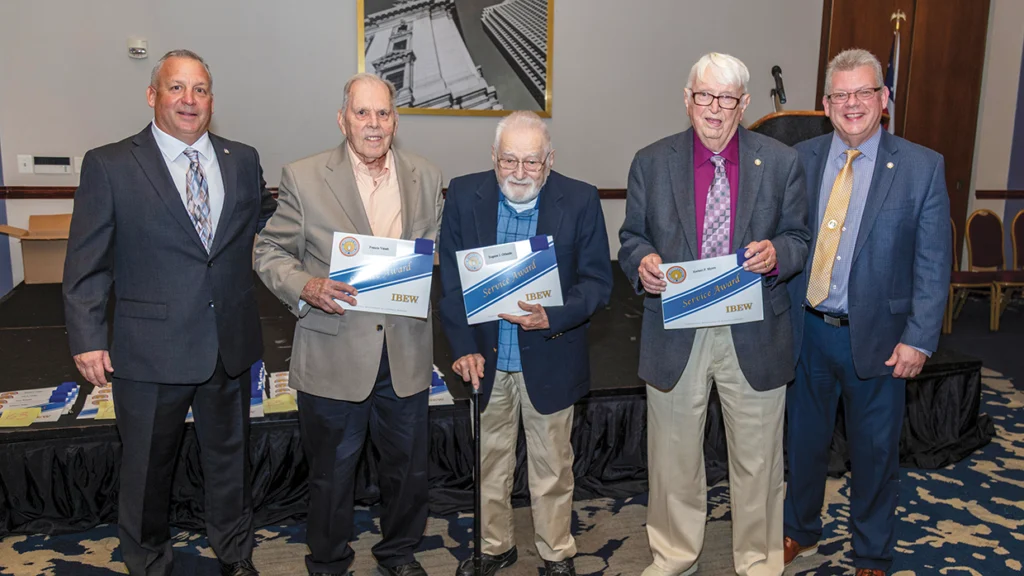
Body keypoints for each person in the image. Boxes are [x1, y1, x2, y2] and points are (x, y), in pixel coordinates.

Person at [63, 49, 276, 576]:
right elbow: (86, 260)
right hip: (149, 348)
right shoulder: (109, 163)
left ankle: (235, 552)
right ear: (152, 94)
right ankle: (148, 562)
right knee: (146, 471)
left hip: (227, 342)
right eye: (176, 87)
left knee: (229, 465)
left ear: (211, 99)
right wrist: (87, 336)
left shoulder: (241, 158)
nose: (189, 100)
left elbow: (272, 225)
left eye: (200, 89)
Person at [618, 52, 809, 576]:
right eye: (705, 96)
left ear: (744, 104)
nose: (715, 109)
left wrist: (777, 256)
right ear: (687, 99)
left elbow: (799, 239)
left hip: (756, 330)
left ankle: (758, 560)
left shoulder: (780, 162)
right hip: (676, 329)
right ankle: (675, 555)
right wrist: (643, 263)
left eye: (727, 99)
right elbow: (630, 238)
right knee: (674, 459)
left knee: (758, 461)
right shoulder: (651, 162)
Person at [253, 73, 443, 576]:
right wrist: (305, 286)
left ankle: (398, 554)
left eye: (383, 114)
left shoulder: (425, 175)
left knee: (407, 473)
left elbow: (434, 247)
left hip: (404, 355)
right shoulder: (304, 175)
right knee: (332, 477)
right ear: (343, 119)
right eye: (362, 113)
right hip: (334, 353)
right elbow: (268, 250)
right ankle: (329, 562)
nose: (373, 124)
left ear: (395, 121)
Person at [783, 48, 951, 576]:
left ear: (883, 99)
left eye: (863, 93)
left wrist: (920, 338)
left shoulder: (922, 167)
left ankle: (872, 552)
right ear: (826, 103)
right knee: (802, 444)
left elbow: (933, 261)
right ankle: (799, 530)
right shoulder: (801, 160)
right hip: (807, 332)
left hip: (881, 340)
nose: (852, 104)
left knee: (876, 455)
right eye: (840, 95)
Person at [438, 111, 613, 576]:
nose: (518, 173)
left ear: (550, 160)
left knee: (553, 467)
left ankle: (557, 551)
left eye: (531, 163)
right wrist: (461, 347)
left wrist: (552, 315)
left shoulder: (579, 199)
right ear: (493, 157)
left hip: (551, 355)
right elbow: (452, 284)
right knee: (489, 463)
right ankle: (495, 547)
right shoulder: (462, 194)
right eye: (508, 161)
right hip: (486, 358)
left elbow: (598, 282)